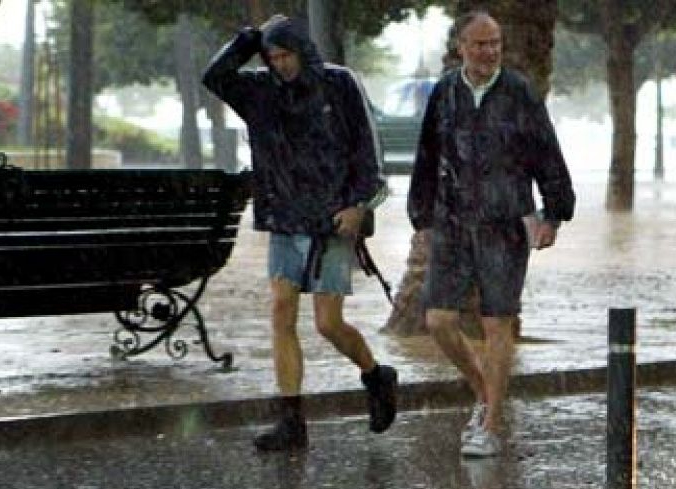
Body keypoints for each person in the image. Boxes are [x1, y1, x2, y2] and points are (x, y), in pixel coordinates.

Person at [203, 15, 398, 454]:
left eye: (286, 54)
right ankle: (292, 420)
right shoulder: (259, 90)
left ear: (302, 51)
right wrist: (252, 38)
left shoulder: (339, 84)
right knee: (280, 310)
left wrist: (358, 204)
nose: (280, 64)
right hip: (285, 219)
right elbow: (214, 76)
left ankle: (375, 375)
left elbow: (368, 152)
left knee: (328, 323)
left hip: (331, 222)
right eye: (272, 57)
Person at [408, 11, 575, 458]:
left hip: (505, 221)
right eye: (480, 44)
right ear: (461, 46)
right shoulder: (444, 92)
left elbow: (547, 153)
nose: (489, 52)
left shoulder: (520, 92)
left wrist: (554, 215)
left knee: (498, 321)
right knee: (438, 320)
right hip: (452, 221)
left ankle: (492, 422)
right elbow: (427, 154)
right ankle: (484, 392)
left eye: (495, 43)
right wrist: (420, 215)